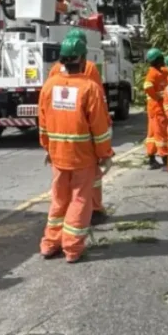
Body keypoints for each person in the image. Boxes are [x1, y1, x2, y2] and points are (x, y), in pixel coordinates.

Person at [37, 37, 114, 263]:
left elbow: (43, 122)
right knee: (80, 201)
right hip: (82, 156)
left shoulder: (49, 86)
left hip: (58, 155)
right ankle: (71, 247)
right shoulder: (89, 88)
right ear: (82, 59)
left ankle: (50, 243)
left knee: (59, 200)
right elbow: (99, 128)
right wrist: (105, 154)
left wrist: (47, 148)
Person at [143, 48, 168, 169]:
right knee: (161, 134)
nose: (164, 60)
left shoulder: (161, 71)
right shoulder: (152, 73)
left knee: (152, 134)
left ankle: (151, 158)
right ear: (157, 60)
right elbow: (147, 86)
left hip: (154, 109)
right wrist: (157, 96)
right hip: (157, 108)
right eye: (162, 58)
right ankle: (165, 158)